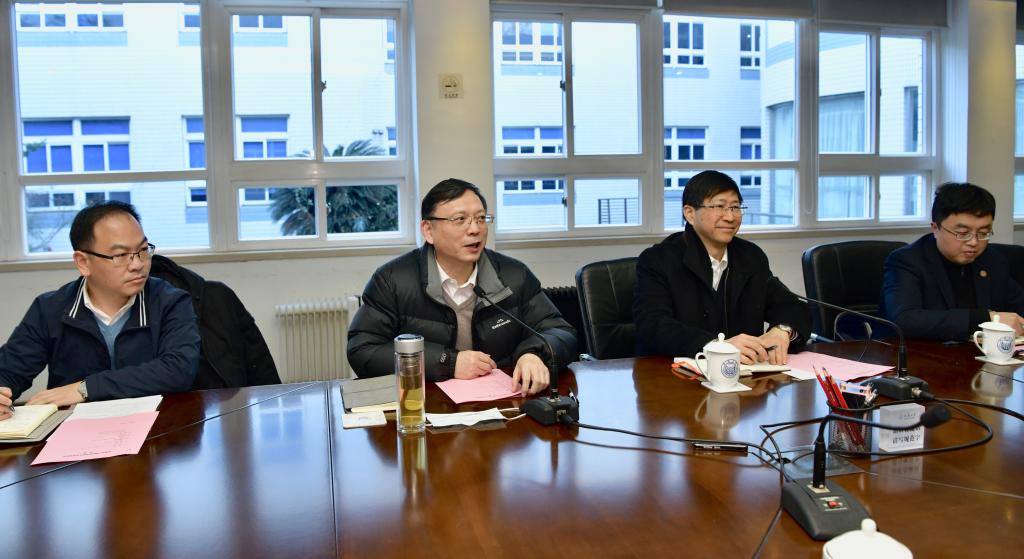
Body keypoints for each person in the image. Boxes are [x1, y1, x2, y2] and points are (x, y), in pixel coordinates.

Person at [347, 178, 576, 395]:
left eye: (481, 218)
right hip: (427, 405)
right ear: (428, 230)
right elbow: (363, 350)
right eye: (460, 219)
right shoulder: (392, 280)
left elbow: (562, 332)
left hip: (504, 404)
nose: (475, 229)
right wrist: (449, 362)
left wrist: (535, 354)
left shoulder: (515, 276)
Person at [0, 201, 200, 420]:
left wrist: (85, 388)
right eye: (121, 255)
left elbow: (178, 370)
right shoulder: (50, 309)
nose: (137, 264)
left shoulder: (170, 301)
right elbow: (10, 369)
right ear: (83, 262)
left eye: (143, 250)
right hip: (76, 431)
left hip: (159, 427)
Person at [633, 170, 811, 364]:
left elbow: (791, 306)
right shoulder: (658, 260)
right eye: (719, 206)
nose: (730, 217)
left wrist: (783, 330)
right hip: (674, 374)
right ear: (690, 214)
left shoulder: (751, 256)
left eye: (735, 207)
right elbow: (652, 325)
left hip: (745, 374)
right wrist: (717, 346)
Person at [881, 182, 1024, 341]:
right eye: (963, 233)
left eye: (983, 233)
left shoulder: (993, 260)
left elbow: (1018, 306)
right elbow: (905, 320)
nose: (974, 242)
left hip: (983, 352)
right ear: (935, 228)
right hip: (922, 352)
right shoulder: (907, 261)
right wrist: (986, 319)